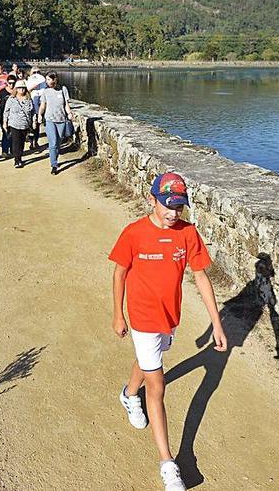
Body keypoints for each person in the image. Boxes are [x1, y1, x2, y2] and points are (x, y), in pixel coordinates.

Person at [109, 173, 227, 491]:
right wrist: (118, 314)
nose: (174, 213)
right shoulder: (134, 233)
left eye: (179, 207)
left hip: (168, 318)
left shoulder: (187, 234)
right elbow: (120, 273)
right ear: (152, 200)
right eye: (168, 206)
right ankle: (168, 463)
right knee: (158, 386)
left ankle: (129, 394)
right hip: (142, 318)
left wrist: (216, 323)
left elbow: (201, 277)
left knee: (150, 361)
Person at [37, 72, 75, 175]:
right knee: (53, 143)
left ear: (55, 79)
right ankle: (54, 165)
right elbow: (43, 105)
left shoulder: (63, 89)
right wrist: (40, 115)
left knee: (58, 143)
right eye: (46, 79)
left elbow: (66, 104)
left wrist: (69, 113)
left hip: (62, 120)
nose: (47, 82)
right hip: (50, 120)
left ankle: (55, 157)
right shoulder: (45, 91)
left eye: (49, 79)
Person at [2, 81, 35, 168]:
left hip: (25, 124)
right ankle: (17, 160)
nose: (21, 90)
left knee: (22, 142)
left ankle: (19, 156)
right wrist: (5, 122)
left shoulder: (28, 99)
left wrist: (34, 121)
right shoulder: (11, 99)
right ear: (16, 89)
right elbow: (6, 111)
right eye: (19, 88)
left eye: (23, 88)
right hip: (14, 123)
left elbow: (32, 112)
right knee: (16, 142)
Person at [26, 66, 47, 149]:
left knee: (37, 124)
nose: (36, 74)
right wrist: (32, 87)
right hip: (30, 106)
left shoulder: (43, 82)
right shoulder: (29, 81)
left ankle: (36, 141)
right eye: (34, 72)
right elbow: (25, 92)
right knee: (31, 125)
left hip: (40, 106)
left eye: (38, 72)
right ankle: (31, 141)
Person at [0, 74, 15, 157]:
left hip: (14, 116)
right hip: (4, 115)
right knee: (5, 132)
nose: (12, 85)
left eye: (13, 83)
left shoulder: (17, 92)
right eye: (10, 83)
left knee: (13, 133)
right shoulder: (3, 91)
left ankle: (13, 150)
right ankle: (5, 151)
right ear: (7, 83)